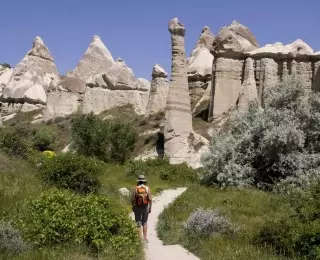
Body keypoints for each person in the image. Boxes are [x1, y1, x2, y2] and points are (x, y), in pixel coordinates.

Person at [132, 175, 152, 243]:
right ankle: (145, 238)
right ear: (144, 181)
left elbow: (133, 199)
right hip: (145, 207)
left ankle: (139, 239)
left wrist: (133, 206)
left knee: (138, 222)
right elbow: (150, 199)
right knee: (145, 222)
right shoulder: (147, 188)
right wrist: (150, 208)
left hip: (137, 207)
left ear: (138, 181)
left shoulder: (136, 188)